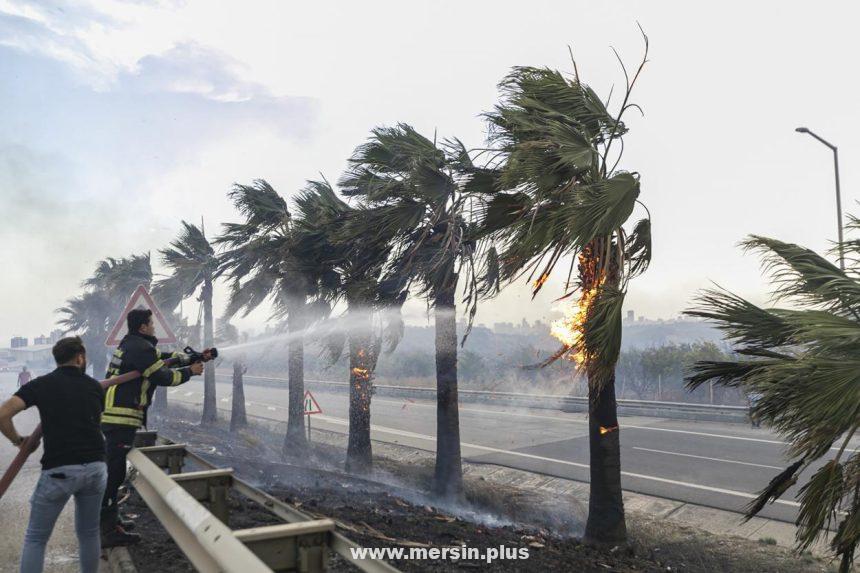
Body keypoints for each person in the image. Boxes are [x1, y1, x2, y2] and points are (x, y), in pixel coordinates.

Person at [0, 337, 106, 573]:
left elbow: (2, 415)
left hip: (59, 471)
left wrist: (18, 441)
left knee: (36, 538)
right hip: (96, 467)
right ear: (80, 357)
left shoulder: (41, 385)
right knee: (89, 533)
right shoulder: (94, 387)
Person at [100, 308, 203, 546]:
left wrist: (185, 357)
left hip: (116, 417)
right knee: (113, 474)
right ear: (142, 327)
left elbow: (159, 358)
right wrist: (191, 371)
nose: (154, 326)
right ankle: (107, 531)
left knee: (113, 472)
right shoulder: (140, 348)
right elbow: (164, 377)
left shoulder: (132, 345)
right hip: (121, 418)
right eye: (151, 323)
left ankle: (111, 520)